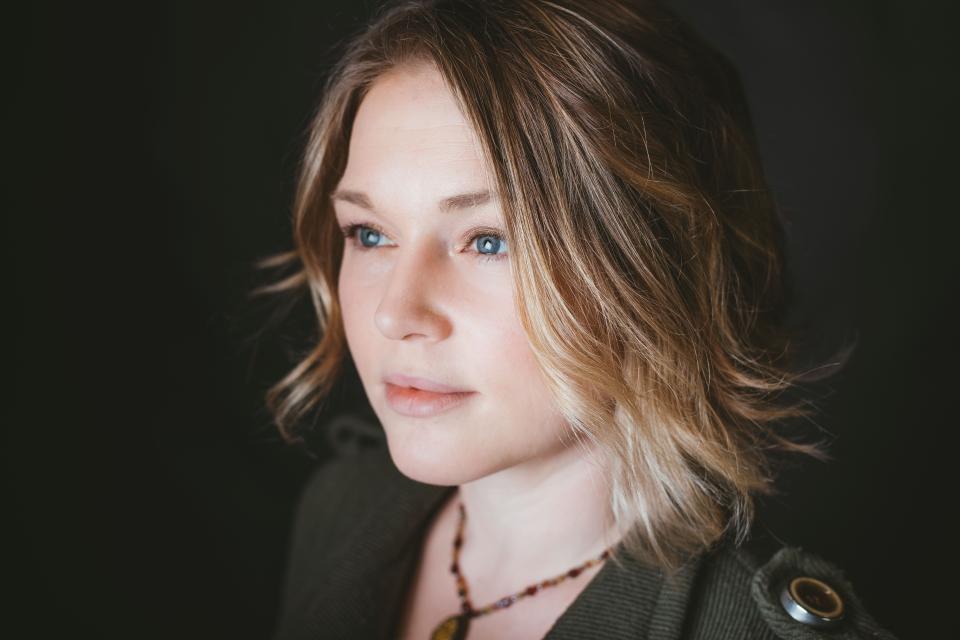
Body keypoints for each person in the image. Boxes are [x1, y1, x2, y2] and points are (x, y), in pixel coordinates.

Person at [259, 0, 898, 638]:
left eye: (489, 241)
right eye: (369, 234)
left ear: (652, 267)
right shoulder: (337, 514)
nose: (396, 314)